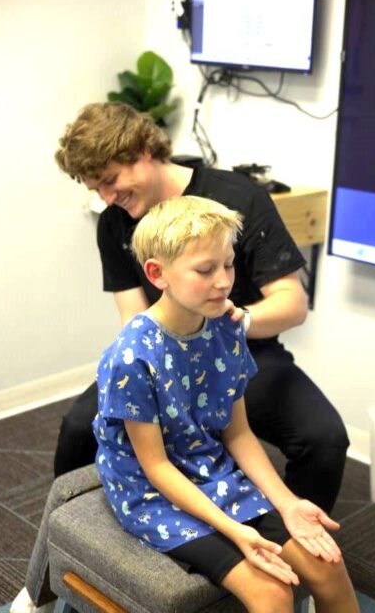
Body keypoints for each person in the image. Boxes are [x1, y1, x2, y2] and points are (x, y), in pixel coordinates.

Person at [54, 101, 349, 515]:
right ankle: (70, 539)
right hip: (162, 359)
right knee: (77, 427)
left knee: (325, 439)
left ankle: (296, 538)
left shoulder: (238, 197)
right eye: (95, 189)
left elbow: (292, 304)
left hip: (245, 353)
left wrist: (236, 321)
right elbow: (132, 319)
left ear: (141, 152)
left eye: (111, 180)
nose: (107, 197)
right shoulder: (115, 224)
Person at [92, 195, 359, 613]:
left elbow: (237, 432)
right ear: (157, 274)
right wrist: (236, 531)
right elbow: (156, 467)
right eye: (205, 270)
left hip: (207, 468)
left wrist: (288, 504)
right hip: (150, 491)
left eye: (229, 265)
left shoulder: (227, 326)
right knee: (272, 595)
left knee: (328, 565)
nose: (223, 281)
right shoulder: (131, 357)